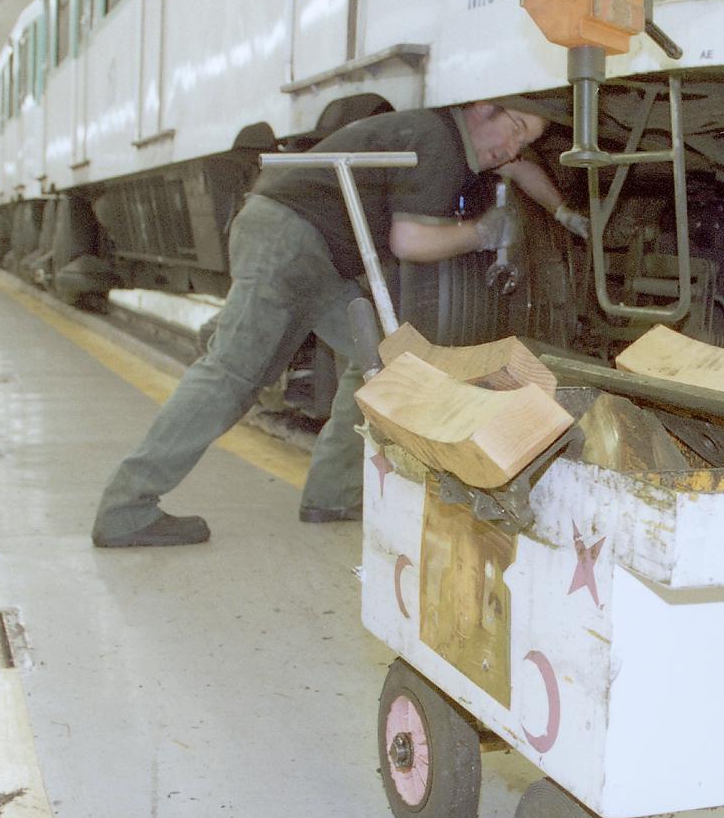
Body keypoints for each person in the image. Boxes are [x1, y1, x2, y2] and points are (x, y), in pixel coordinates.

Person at [91, 101, 585, 548]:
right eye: (515, 128)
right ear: (483, 110)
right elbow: (409, 241)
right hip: (289, 241)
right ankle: (126, 508)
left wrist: (563, 211)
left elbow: (520, 167)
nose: (514, 147)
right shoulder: (438, 142)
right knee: (233, 375)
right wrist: (482, 232)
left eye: (526, 139)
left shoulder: (462, 137)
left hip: (313, 254)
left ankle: (332, 493)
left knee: (378, 365)